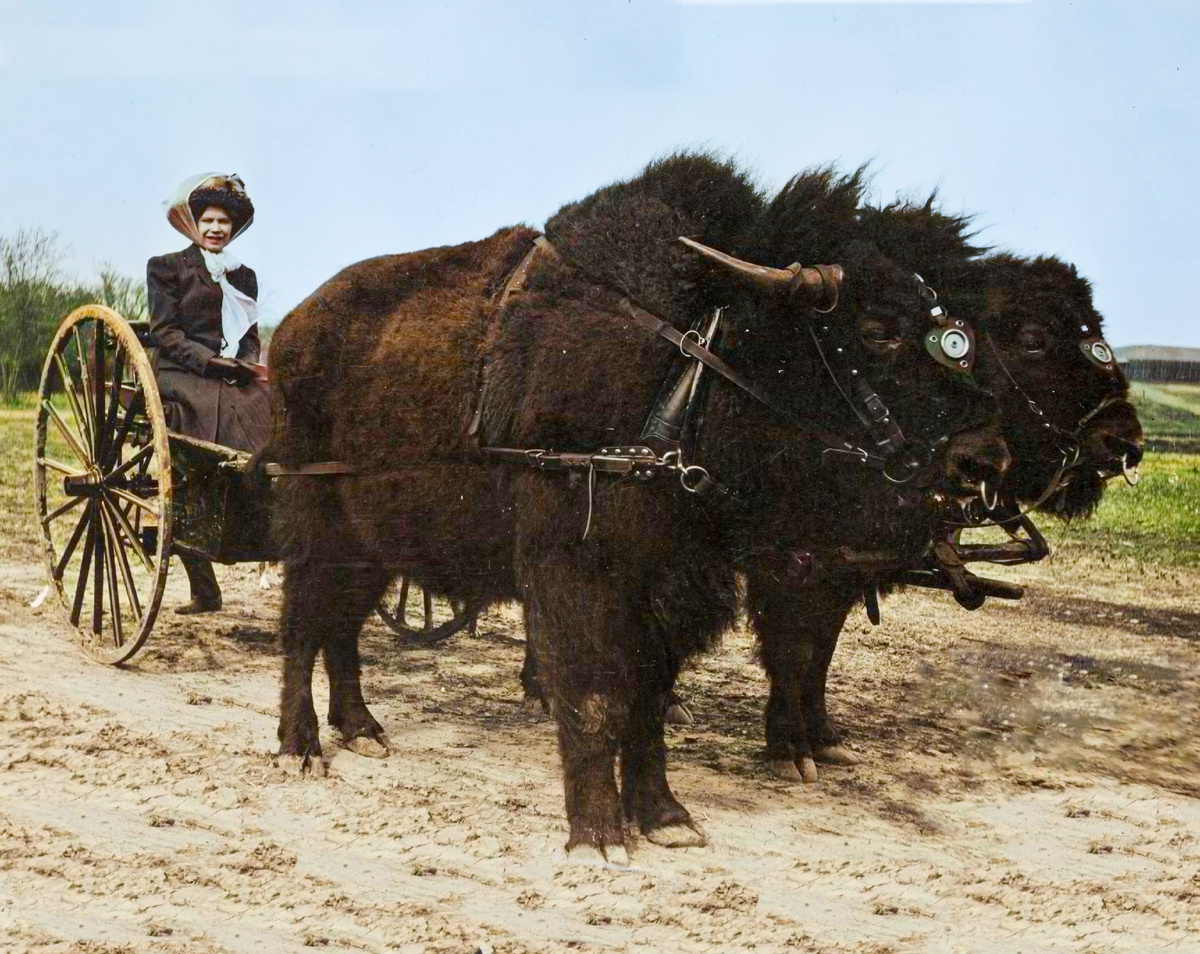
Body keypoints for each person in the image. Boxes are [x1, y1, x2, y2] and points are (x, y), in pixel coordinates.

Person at [147, 173, 270, 614]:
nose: (216, 229)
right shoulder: (166, 267)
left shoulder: (244, 275)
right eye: (209, 221)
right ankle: (202, 571)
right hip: (182, 371)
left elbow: (251, 333)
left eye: (224, 222)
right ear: (193, 224)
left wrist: (248, 362)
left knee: (265, 403)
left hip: (232, 371)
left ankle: (260, 501)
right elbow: (166, 334)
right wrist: (214, 363)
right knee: (209, 416)